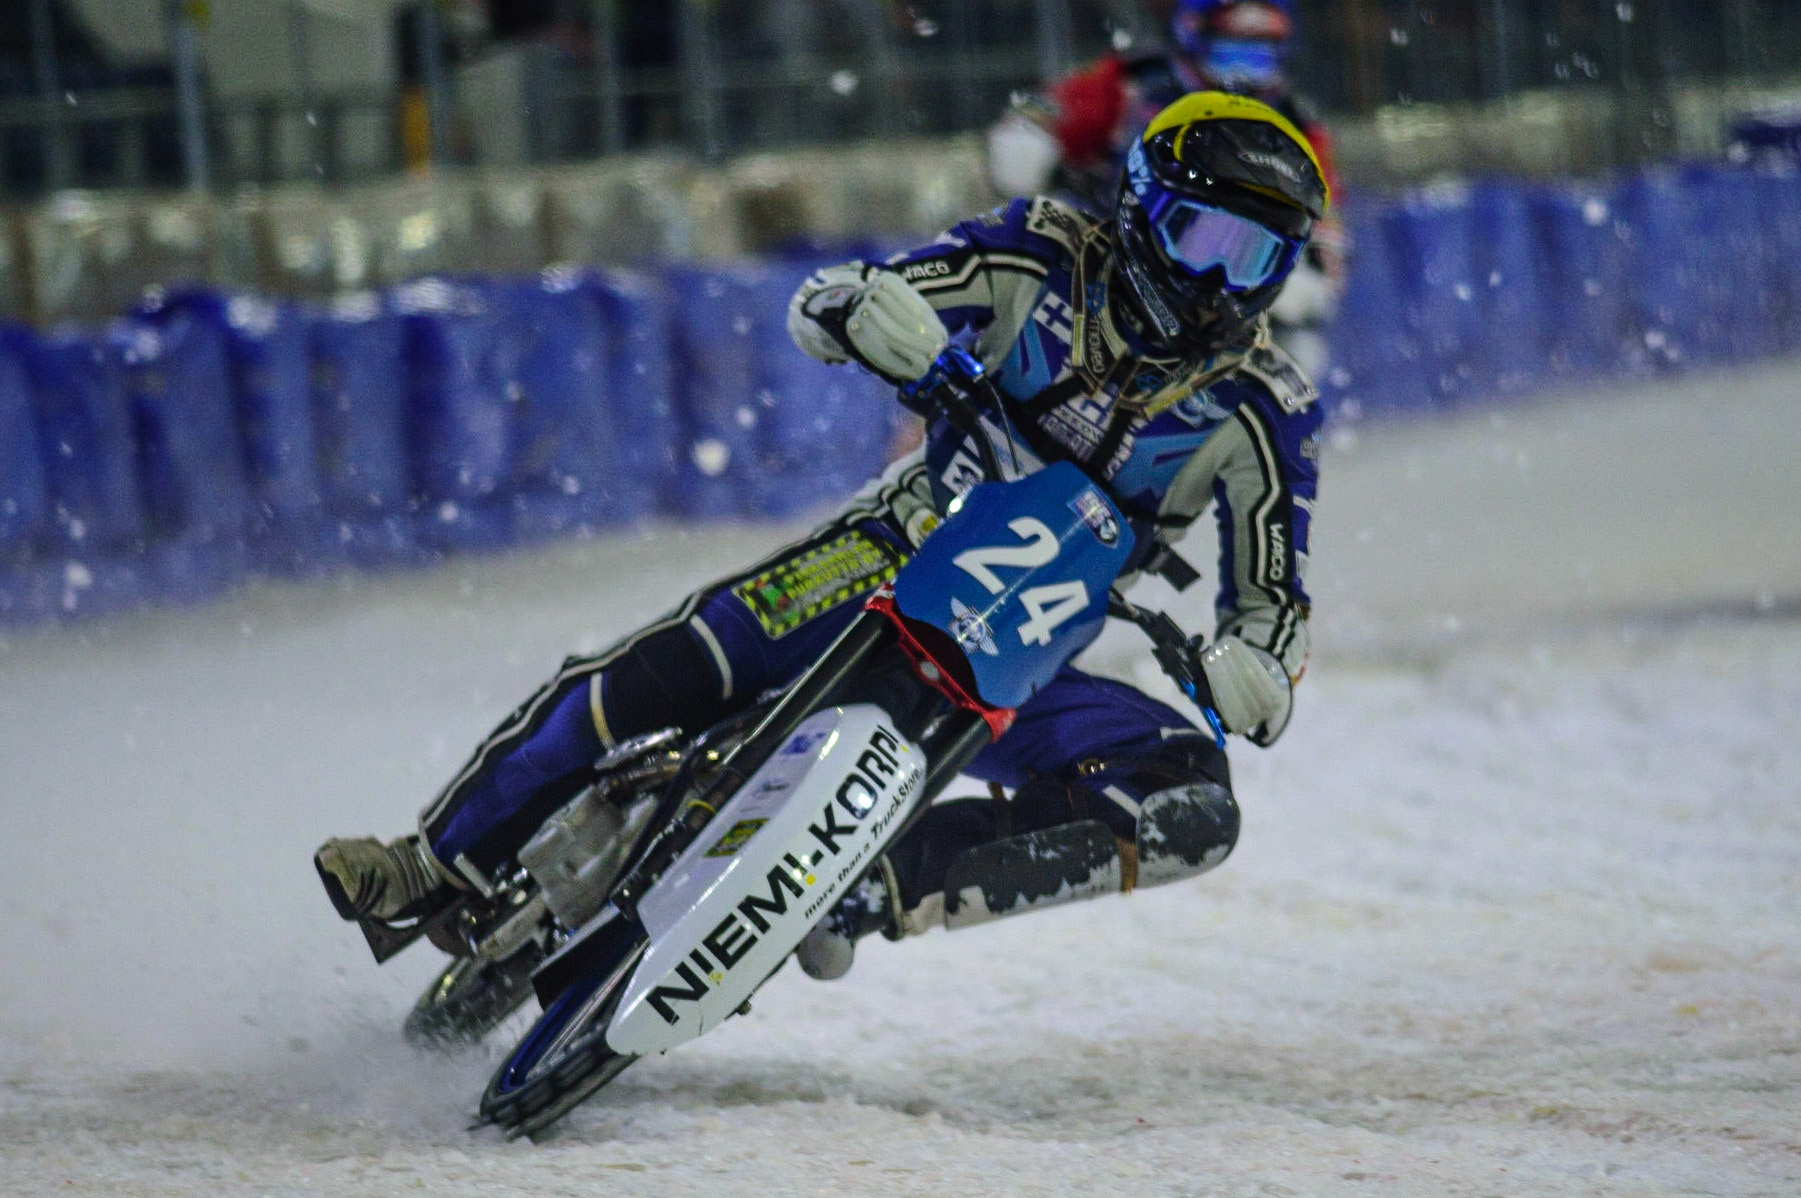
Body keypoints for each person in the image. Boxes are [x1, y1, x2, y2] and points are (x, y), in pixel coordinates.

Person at [317, 93, 1327, 981]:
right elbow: (847, 293)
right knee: (647, 675)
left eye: (1255, 260)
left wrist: (1261, 666)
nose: (1218, 285)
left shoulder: (1264, 408)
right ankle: (430, 861)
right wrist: (868, 314)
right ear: (1143, 210)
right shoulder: (1041, 251)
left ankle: (873, 886)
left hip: (1031, 652)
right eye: (1202, 239)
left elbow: (1274, 595)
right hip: (887, 552)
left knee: (1189, 803)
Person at [987, 0, 1343, 373]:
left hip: (1218, 287)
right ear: (1193, 35)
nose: (1244, 76)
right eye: (1230, 54)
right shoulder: (1132, 84)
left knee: (1295, 351)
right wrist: (1033, 148)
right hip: (1105, 257)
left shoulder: (1296, 125)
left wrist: (1307, 278)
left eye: (1259, 58)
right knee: (1015, 299)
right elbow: (1042, 117)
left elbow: (1322, 222)